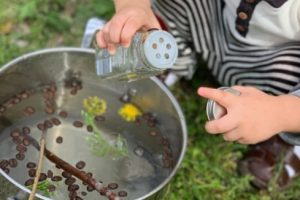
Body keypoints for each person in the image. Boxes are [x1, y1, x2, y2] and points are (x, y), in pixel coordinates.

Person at [94, 0, 300, 190]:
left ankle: (284, 137)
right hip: (214, 24)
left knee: (290, 86)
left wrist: (280, 112)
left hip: (276, 62)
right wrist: (133, 6)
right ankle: (160, 57)